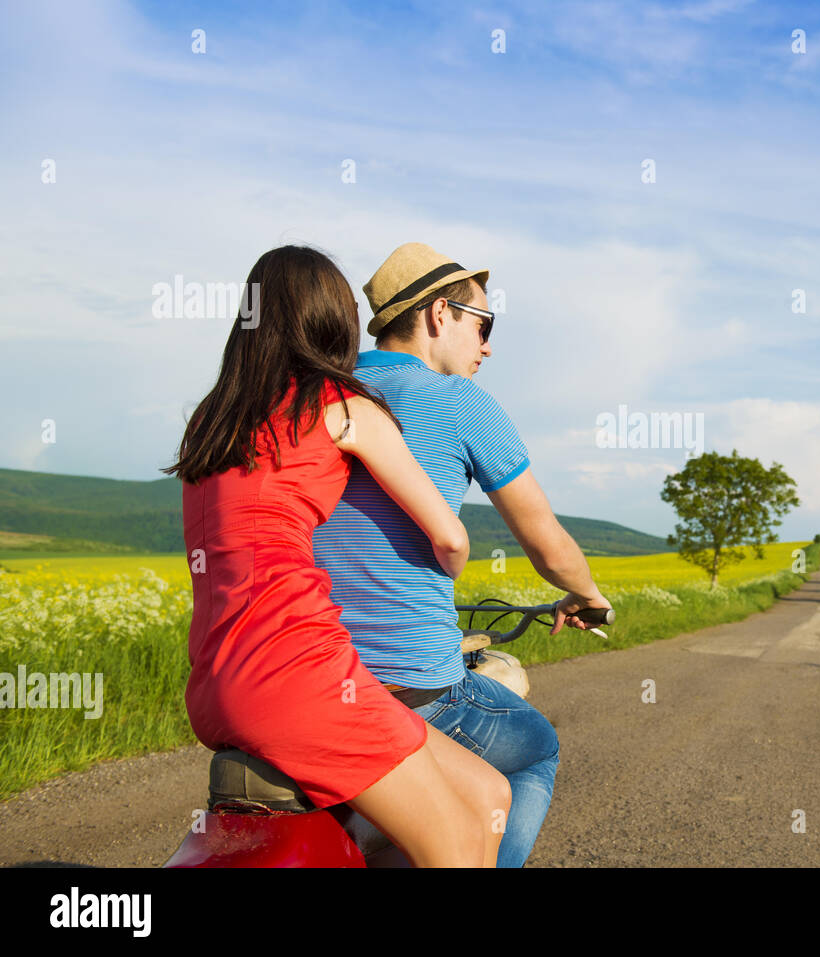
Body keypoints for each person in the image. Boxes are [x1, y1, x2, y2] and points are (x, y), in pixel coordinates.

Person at [166, 244, 510, 867]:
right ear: (336, 318)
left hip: (215, 684)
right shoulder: (343, 406)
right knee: (462, 838)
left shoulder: (212, 422)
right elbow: (451, 537)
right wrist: (446, 568)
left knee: (488, 790)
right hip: (299, 679)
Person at [312, 242, 611, 867]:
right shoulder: (460, 403)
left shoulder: (322, 395)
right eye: (484, 324)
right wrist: (586, 595)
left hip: (314, 678)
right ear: (439, 315)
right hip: (412, 685)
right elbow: (547, 543)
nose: (489, 346)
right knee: (535, 748)